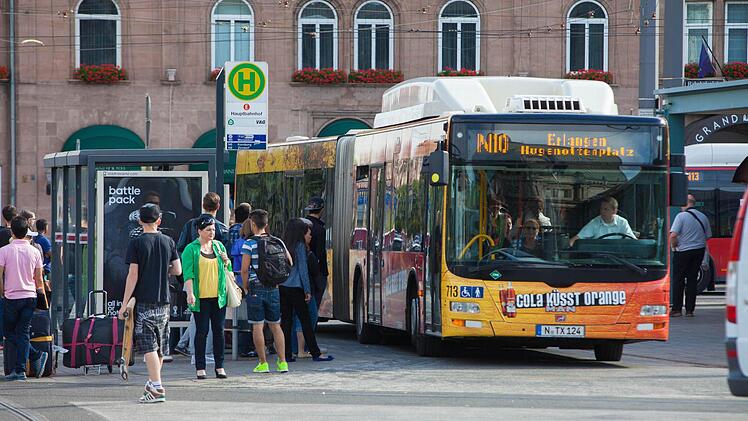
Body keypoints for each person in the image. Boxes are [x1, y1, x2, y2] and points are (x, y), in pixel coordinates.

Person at [118, 204, 182, 403]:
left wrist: (124, 303)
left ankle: (157, 387)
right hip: (164, 300)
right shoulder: (168, 241)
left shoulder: (136, 243)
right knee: (160, 345)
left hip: (144, 300)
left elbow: (133, 274)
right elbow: (178, 270)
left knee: (148, 346)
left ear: (140, 221)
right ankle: (154, 382)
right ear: (159, 221)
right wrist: (163, 270)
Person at [174, 192, 228, 359]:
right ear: (218, 207)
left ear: (203, 205)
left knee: (198, 316)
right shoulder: (221, 228)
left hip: (191, 277)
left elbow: (180, 247)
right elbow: (226, 257)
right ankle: (204, 353)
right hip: (213, 279)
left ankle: (189, 347)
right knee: (212, 322)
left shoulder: (191, 225)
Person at [181, 216, 230, 380]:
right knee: (202, 331)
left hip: (218, 296)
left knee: (219, 332)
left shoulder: (219, 246)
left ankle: (220, 366)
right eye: (208, 229)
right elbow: (188, 273)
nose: (212, 233)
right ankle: (200, 367)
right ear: (199, 231)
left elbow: (227, 267)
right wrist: (190, 293)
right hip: (200, 297)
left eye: (213, 229)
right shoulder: (191, 249)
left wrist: (226, 260)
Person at [0, 216, 48, 380]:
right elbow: (39, 279)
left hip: (11, 297)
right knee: (23, 333)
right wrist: (41, 296)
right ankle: (23, 368)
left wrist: (3, 292)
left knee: (8, 332)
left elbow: (0, 275)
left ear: (12, 231)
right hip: (30, 297)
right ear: (26, 231)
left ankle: (30, 361)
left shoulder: (4, 251)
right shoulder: (35, 251)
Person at [241, 209, 289, 373]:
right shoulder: (277, 241)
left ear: (252, 224)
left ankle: (263, 363)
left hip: (256, 288)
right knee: (276, 326)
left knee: (258, 326)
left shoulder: (249, 243)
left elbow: (244, 269)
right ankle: (283, 362)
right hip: (274, 288)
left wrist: (246, 287)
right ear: (266, 224)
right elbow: (289, 260)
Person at [280, 218, 333, 363]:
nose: (309, 236)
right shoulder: (300, 246)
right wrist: (307, 290)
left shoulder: (283, 244)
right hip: (296, 287)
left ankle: (287, 355)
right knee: (306, 321)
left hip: (283, 287)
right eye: (307, 233)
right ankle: (315, 353)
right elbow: (303, 269)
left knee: (286, 322)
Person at [670, 194, 711, 317]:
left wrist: (674, 246)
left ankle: (677, 309)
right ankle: (689, 310)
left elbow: (673, 235)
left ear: (684, 203)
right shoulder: (703, 217)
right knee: (692, 280)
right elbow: (708, 236)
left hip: (683, 252)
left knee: (678, 280)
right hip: (698, 251)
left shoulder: (681, 216)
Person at [569, 197, 635, 247]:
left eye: (606, 209)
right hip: (598, 260)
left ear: (614, 211)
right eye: (601, 209)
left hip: (620, 260)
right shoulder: (594, 223)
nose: (602, 211)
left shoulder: (622, 222)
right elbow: (576, 238)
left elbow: (633, 241)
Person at [304, 197, 328, 308]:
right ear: (321, 210)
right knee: (313, 306)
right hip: (317, 272)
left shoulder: (301, 225)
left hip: (304, 270)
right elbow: (320, 253)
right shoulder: (320, 229)